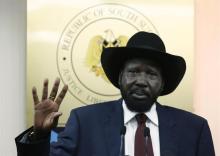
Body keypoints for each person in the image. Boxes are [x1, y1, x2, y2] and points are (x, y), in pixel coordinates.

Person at [15, 32, 215, 156]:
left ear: (162, 84)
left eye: (151, 74)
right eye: (133, 71)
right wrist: (39, 136)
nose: (141, 81)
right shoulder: (85, 122)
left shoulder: (194, 129)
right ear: (120, 78)